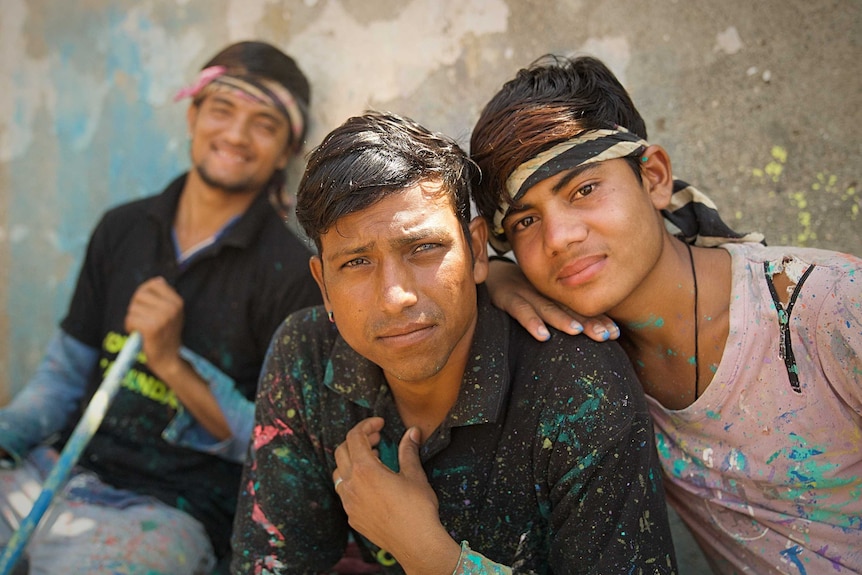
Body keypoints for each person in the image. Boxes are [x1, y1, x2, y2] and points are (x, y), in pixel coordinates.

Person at [230, 110, 677, 574]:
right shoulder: (305, 355)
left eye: (423, 249)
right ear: (323, 285)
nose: (395, 296)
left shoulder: (580, 388)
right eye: (357, 263)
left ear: (477, 251)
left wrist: (429, 554)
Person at [469, 54, 862, 574]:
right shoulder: (587, 368)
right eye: (525, 220)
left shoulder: (827, 307)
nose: (560, 237)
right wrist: (494, 278)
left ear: (653, 177)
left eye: (584, 189)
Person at [0, 41, 322, 574]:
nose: (236, 136)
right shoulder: (122, 229)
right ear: (193, 115)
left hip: (165, 514)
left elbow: (276, 447)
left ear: (287, 149)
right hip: (56, 472)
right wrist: (8, 435)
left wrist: (172, 364)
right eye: (221, 109)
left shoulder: (293, 274)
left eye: (264, 124)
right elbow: (61, 380)